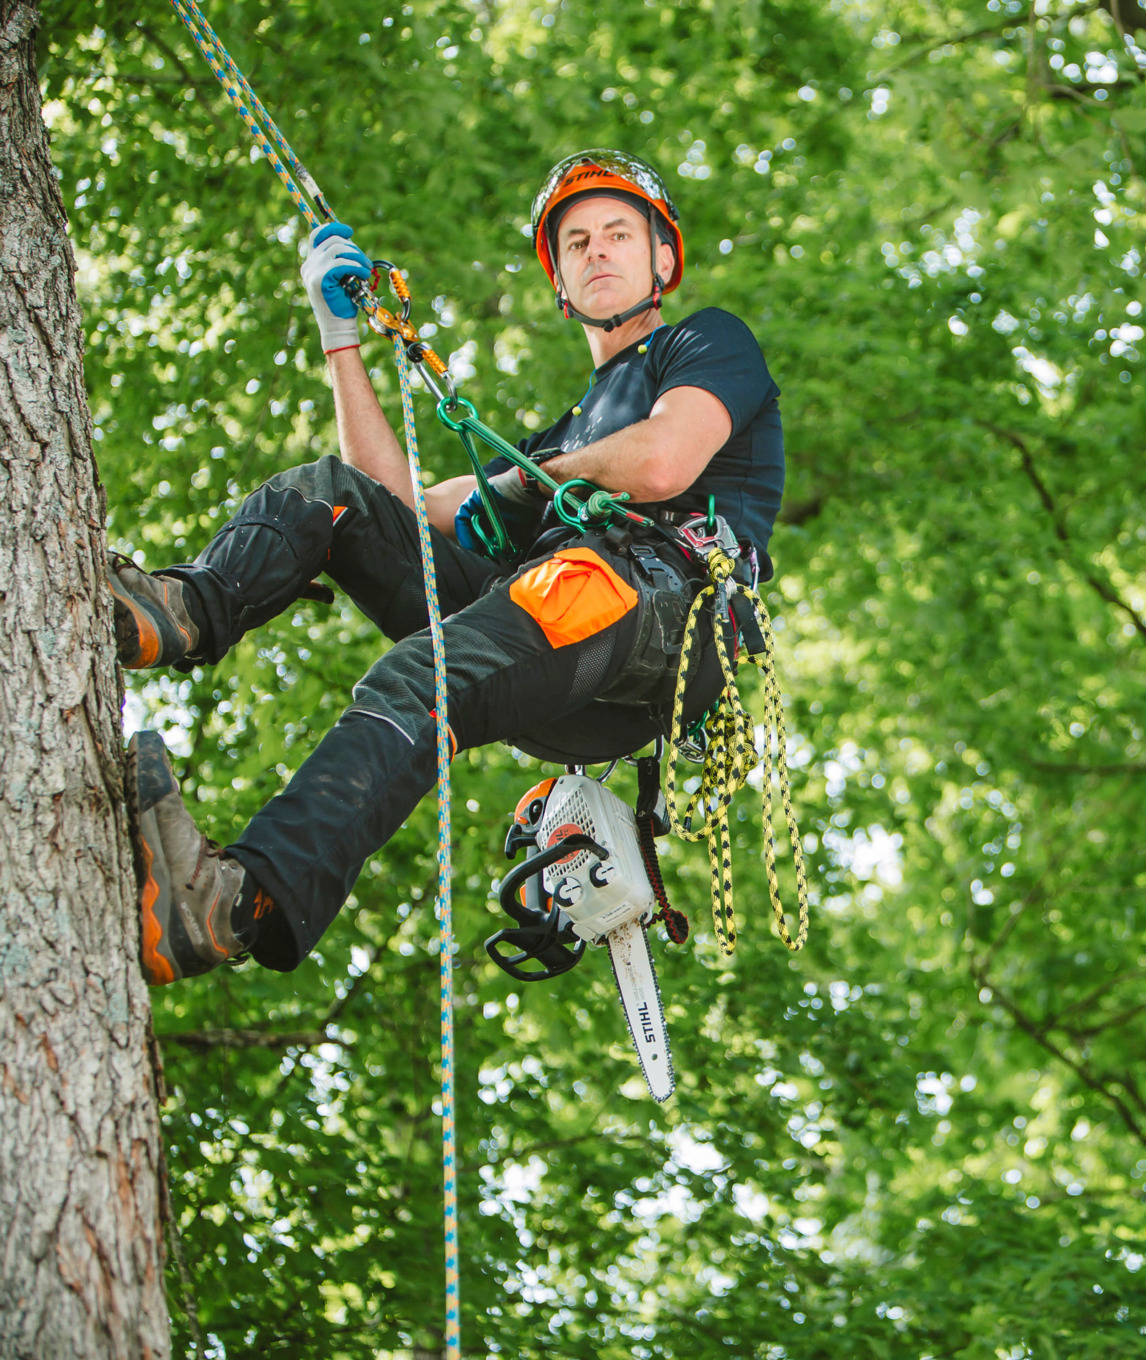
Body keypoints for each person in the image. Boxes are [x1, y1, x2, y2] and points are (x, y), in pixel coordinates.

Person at [118, 150, 784, 985]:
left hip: (648, 612)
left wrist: (525, 485)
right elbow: (391, 503)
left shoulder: (703, 343)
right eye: (576, 243)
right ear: (559, 280)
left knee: (418, 675)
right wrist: (342, 341)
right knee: (333, 497)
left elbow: (662, 462)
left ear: (663, 259)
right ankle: (178, 611)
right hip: (558, 644)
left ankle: (230, 906)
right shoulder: (562, 437)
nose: (597, 252)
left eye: (619, 233)